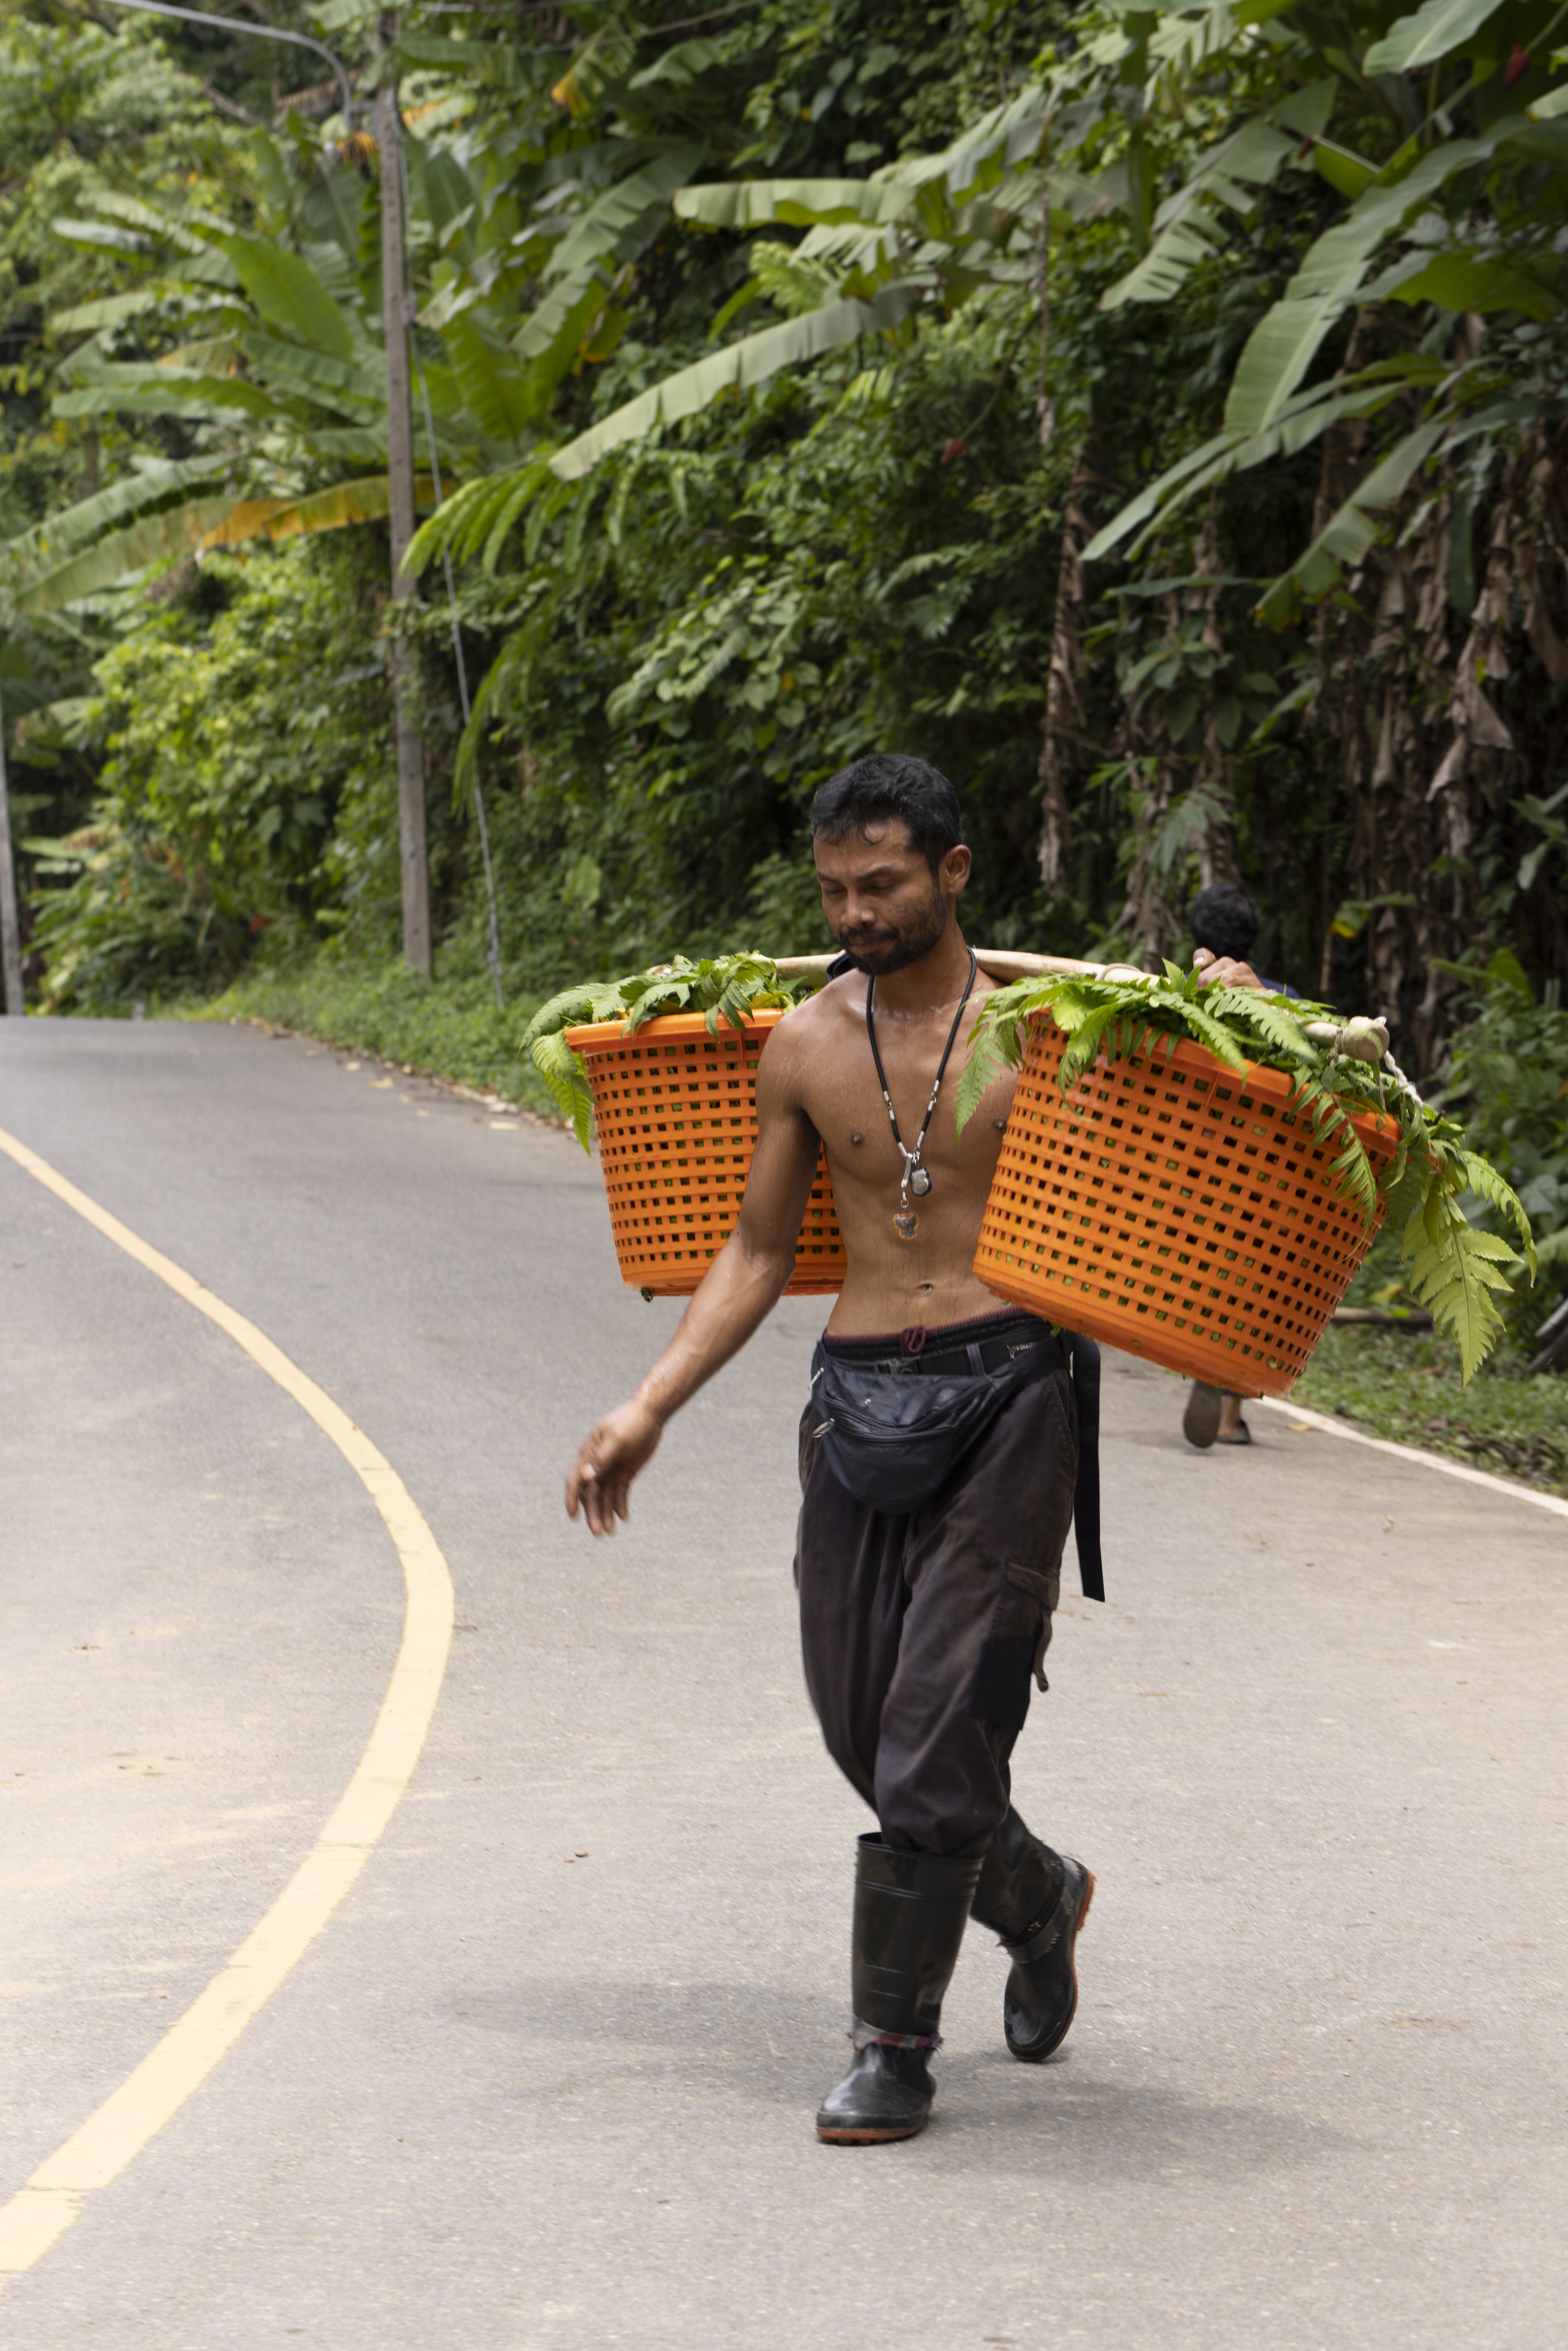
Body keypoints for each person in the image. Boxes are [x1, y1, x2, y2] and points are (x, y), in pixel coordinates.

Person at [566, 755, 1262, 2146]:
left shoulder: (1058, 1032)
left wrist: (1226, 1021)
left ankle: (892, 2048)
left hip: (1013, 1390)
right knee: (859, 1722)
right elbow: (760, 1250)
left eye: (880, 883)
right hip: (856, 1398)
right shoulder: (805, 1045)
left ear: (952, 872)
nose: (855, 910)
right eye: (833, 888)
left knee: (934, 1731)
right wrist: (650, 1404)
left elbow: (1213, 1123)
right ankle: (1035, 1892)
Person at [1181, 882, 1285, 1452]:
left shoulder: (1174, 996)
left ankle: (1195, 1361)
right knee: (1246, 1283)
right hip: (1263, 1169)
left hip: (1193, 1163)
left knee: (1200, 1276)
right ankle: (1228, 1415)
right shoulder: (1282, 1001)